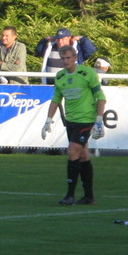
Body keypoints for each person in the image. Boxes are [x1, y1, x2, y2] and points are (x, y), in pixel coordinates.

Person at [40, 44, 107, 206]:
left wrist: (98, 120)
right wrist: (48, 120)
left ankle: (69, 195)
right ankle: (89, 197)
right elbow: (56, 99)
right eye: (63, 58)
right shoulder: (61, 77)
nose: (65, 61)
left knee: (72, 151)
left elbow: (100, 97)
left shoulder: (87, 73)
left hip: (86, 120)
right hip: (71, 121)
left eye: (68, 58)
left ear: (75, 58)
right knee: (83, 156)